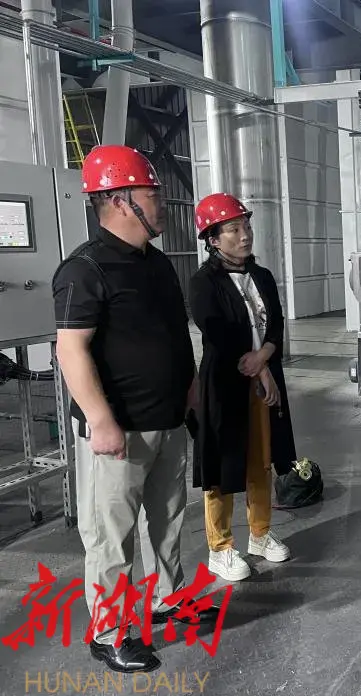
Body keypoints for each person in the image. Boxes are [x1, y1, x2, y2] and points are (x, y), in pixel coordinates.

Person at [52, 145, 214, 674]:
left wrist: (188, 386)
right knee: (111, 535)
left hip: (167, 420)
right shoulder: (84, 269)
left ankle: (170, 599)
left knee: (167, 521)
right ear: (121, 200)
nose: (162, 202)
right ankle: (110, 632)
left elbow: (171, 333)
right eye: (152, 193)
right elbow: (71, 350)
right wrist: (101, 421)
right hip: (118, 431)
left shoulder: (158, 263)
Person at [188, 192, 297, 583]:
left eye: (246, 226)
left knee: (261, 459)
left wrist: (264, 356)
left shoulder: (262, 276)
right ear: (213, 239)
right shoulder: (203, 282)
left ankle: (260, 533)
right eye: (233, 229)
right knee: (222, 464)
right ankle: (220, 548)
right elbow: (218, 332)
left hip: (262, 377)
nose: (245, 235)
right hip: (224, 385)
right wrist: (258, 369)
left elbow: (276, 324)